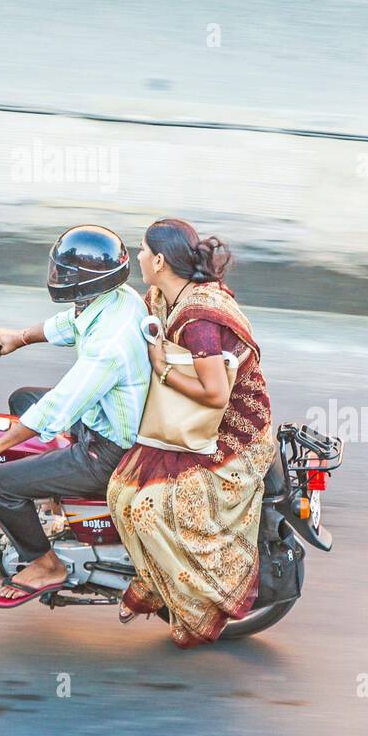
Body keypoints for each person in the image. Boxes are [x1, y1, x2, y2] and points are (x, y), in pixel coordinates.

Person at [0, 225, 152, 609]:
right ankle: (50, 498)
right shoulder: (118, 298)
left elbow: (60, 403)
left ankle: (46, 564)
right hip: (101, 421)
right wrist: (19, 336)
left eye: (64, 273)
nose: (58, 278)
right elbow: (70, 323)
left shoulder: (109, 345)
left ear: (84, 280)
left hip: (109, 452)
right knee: (23, 399)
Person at [107, 218, 275, 647]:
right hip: (187, 420)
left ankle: (196, 610)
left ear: (160, 260)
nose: (138, 257)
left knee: (148, 507)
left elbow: (216, 394)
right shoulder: (162, 296)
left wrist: (163, 370)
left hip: (231, 437)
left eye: (142, 251)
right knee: (119, 492)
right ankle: (152, 578)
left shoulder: (198, 317)